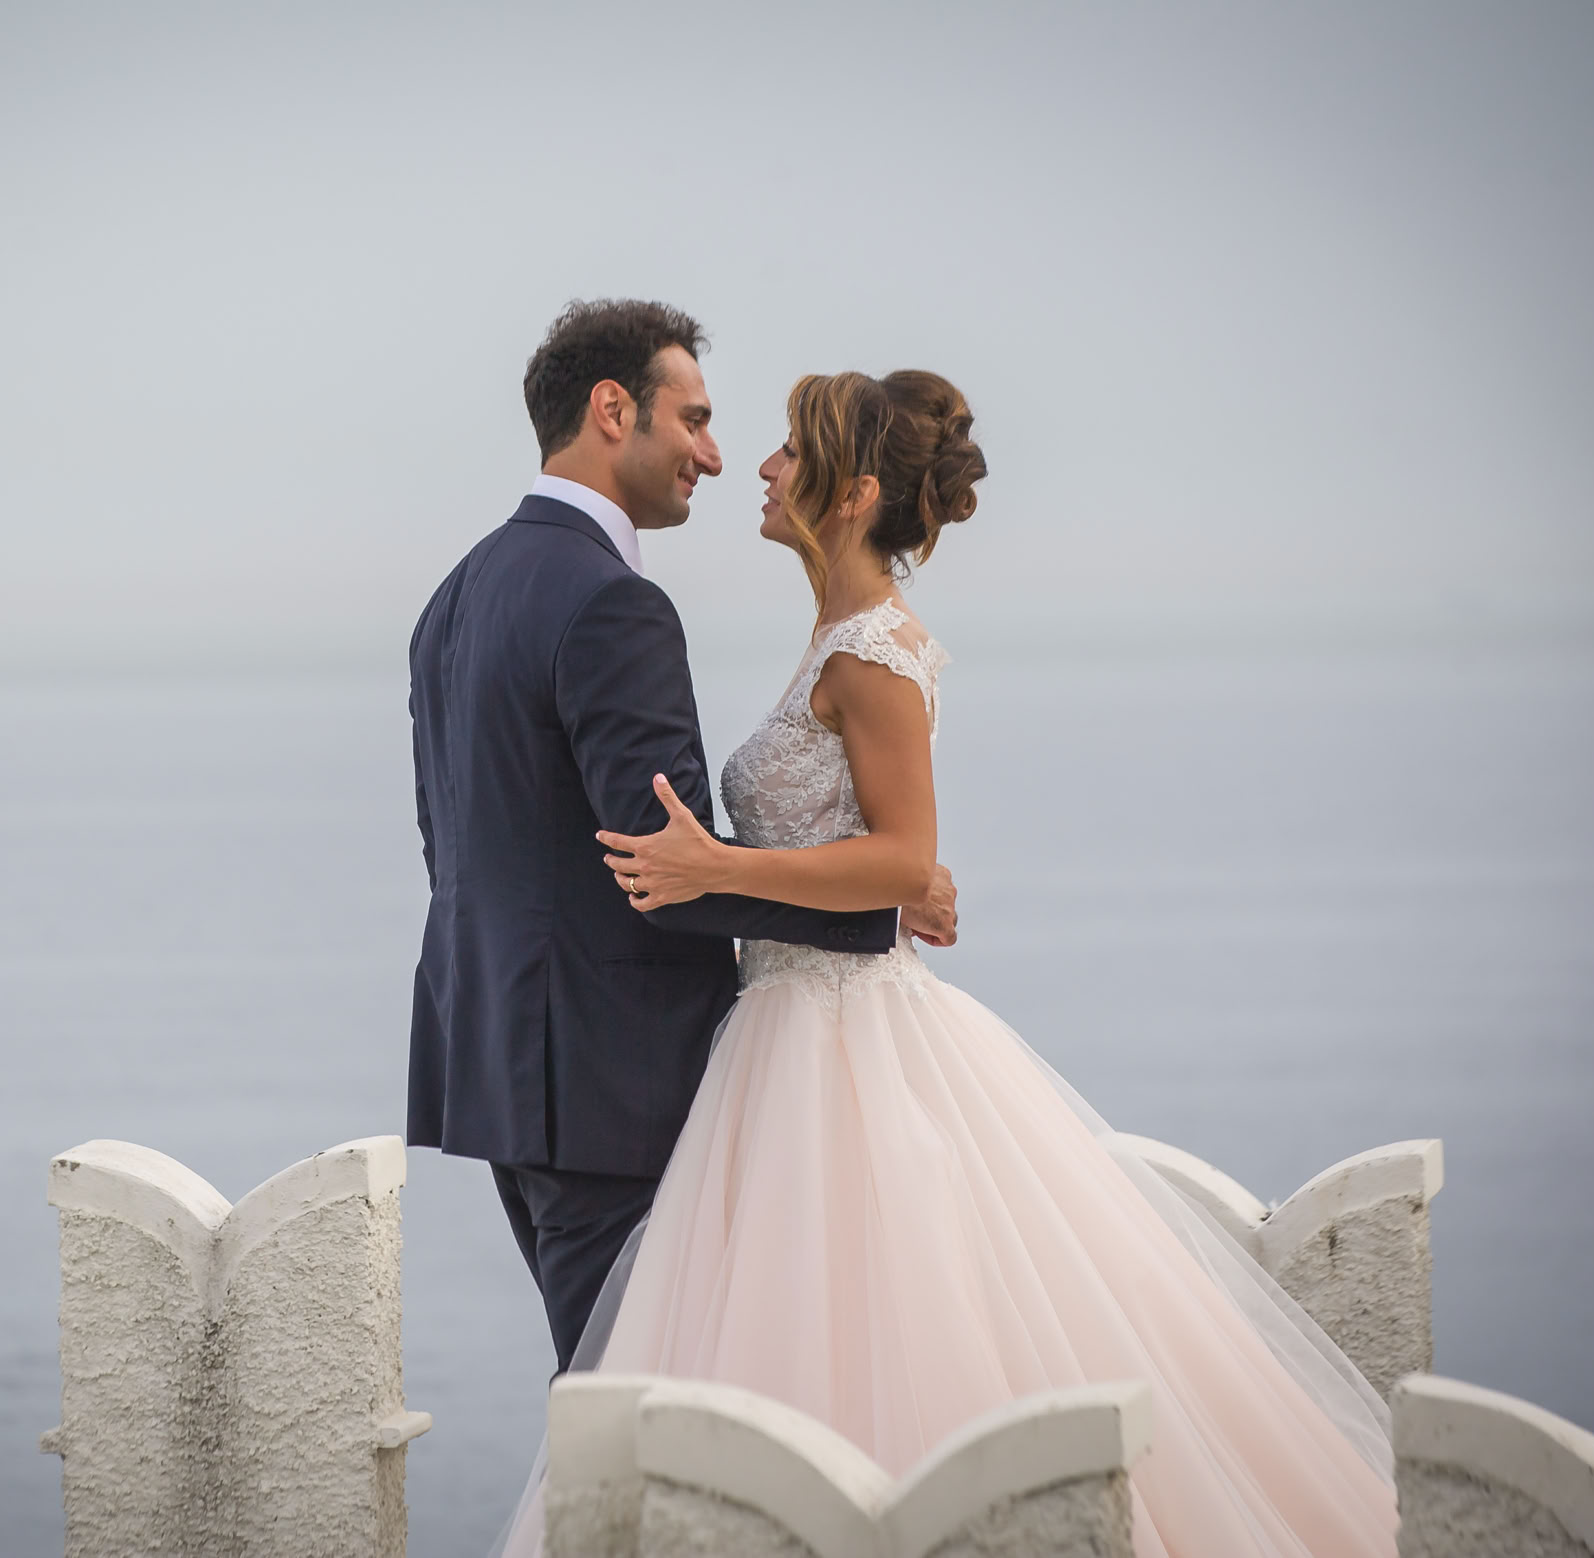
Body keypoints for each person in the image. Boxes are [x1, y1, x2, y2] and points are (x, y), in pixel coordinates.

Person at [539, 367, 1400, 1555]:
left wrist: (721, 868)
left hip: (840, 1040)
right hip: (781, 1026)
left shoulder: (874, 651)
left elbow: (900, 855)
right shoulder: (833, 641)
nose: (764, 468)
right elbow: (884, 859)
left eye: (790, 450)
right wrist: (849, 880)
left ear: (853, 493)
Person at [404, 300, 961, 1374]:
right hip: (611, 1089)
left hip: (495, 1072)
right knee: (649, 1410)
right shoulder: (613, 604)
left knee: (621, 1390)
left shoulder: (456, 595)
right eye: (695, 420)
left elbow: (455, 846)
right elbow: (660, 864)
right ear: (614, 411)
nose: (715, 456)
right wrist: (883, 903)